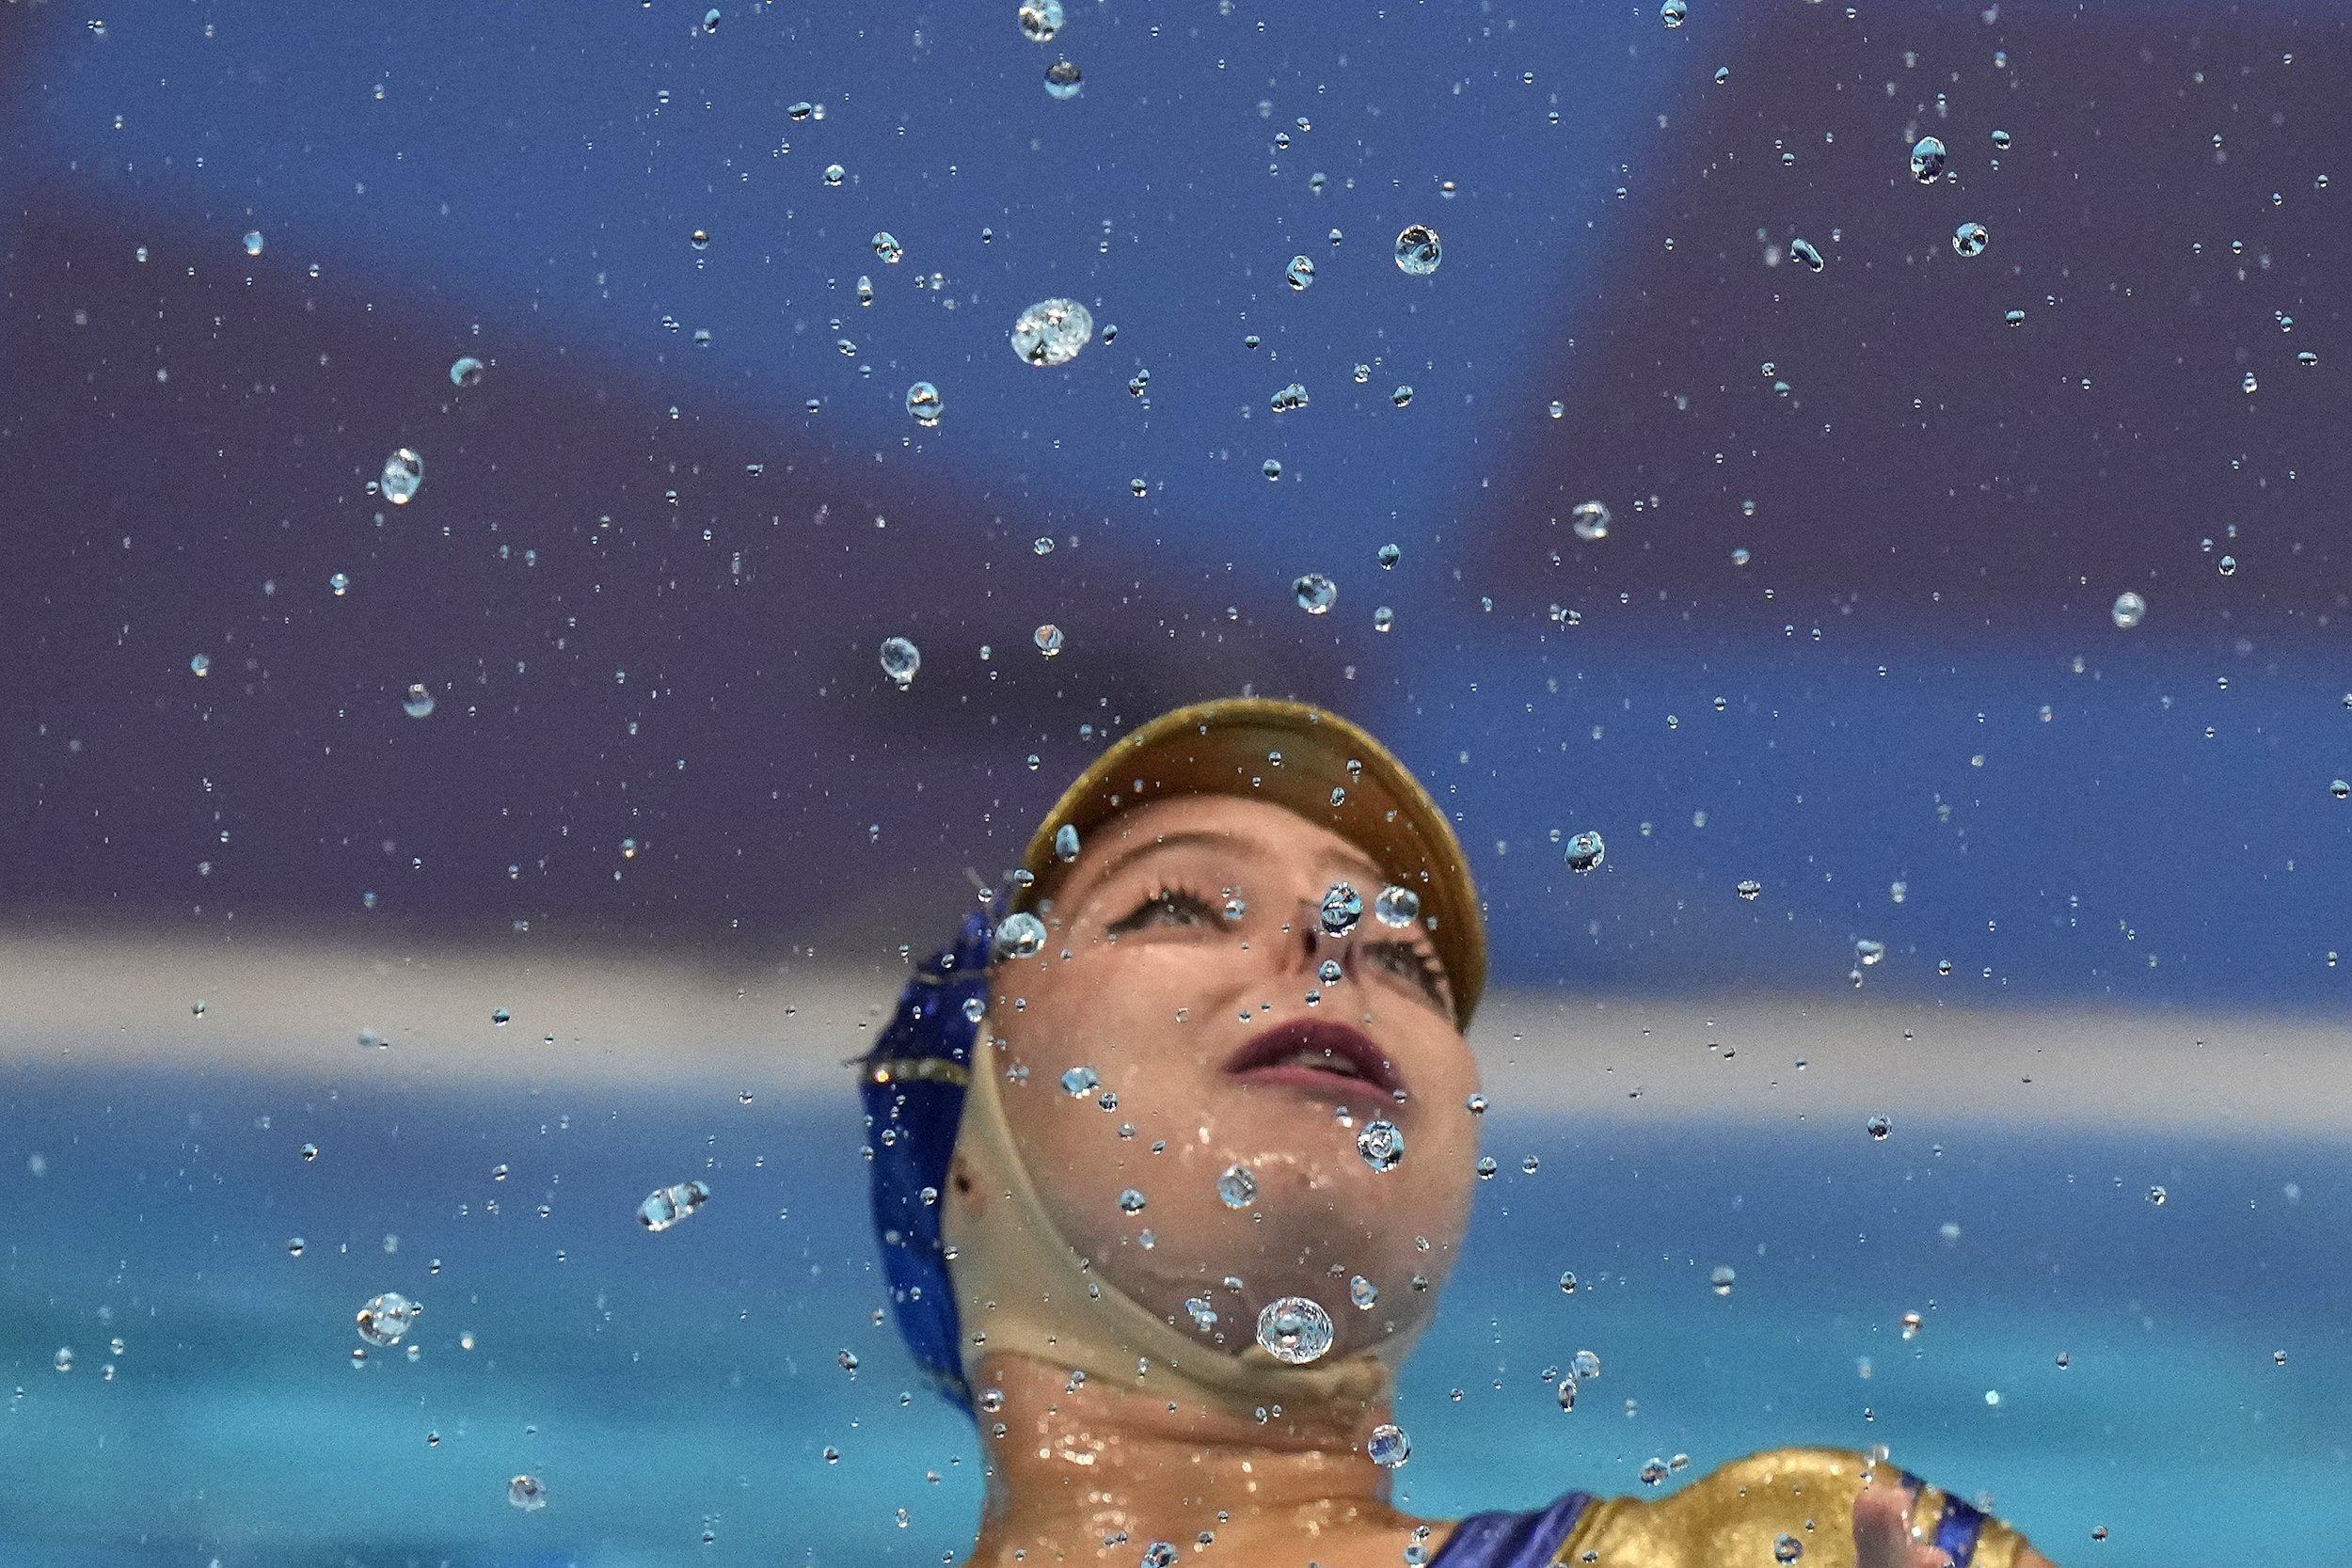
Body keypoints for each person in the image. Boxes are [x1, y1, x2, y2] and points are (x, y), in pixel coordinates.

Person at [860, 698, 2054, 1568]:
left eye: (1404, 956)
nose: (1330, 940)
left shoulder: (1796, 1552)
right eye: (1176, 902)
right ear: (961, 1154)